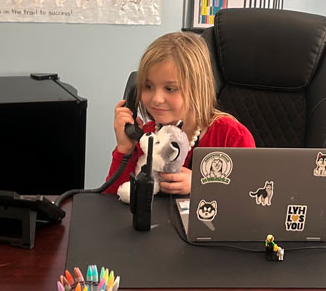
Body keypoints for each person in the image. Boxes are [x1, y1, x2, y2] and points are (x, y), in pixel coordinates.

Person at [104, 31, 255, 196]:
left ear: (197, 88)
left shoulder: (231, 136)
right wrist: (125, 149)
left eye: (170, 89)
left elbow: (250, 195)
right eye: (148, 86)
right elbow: (111, 201)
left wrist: (201, 185)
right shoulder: (147, 138)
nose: (157, 99)